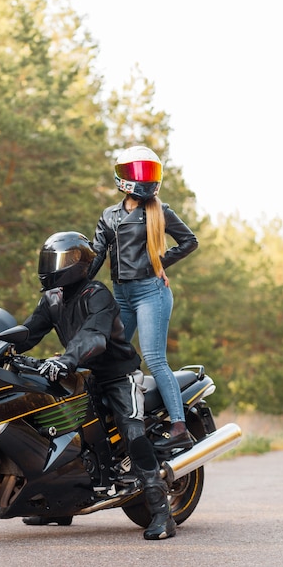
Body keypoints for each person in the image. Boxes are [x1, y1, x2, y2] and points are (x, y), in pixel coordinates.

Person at [18, 231, 176, 540]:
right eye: (48, 260)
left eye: (57, 261)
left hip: (117, 375)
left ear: (77, 263)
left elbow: (93, 337)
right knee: (54, 427)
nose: (50, 267)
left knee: (132, 430)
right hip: (81, 374)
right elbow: (28, 332)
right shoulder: (52, 298)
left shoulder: (97, 294)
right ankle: (60, 505)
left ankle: (161, 511)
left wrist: (66, 359)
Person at [89, 145, 198, 452]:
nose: (144, 179)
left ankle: (179, 426)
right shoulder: (109, 216)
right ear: (122, 178)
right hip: (121, 294)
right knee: (106, 357)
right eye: (138, 172)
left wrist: (160, 262)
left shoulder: (159, 211)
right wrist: (75, 285)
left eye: (149, 172)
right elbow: (97, 255)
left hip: (151, 292)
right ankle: (111, 423)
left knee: (154, 358)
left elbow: (190, 241)